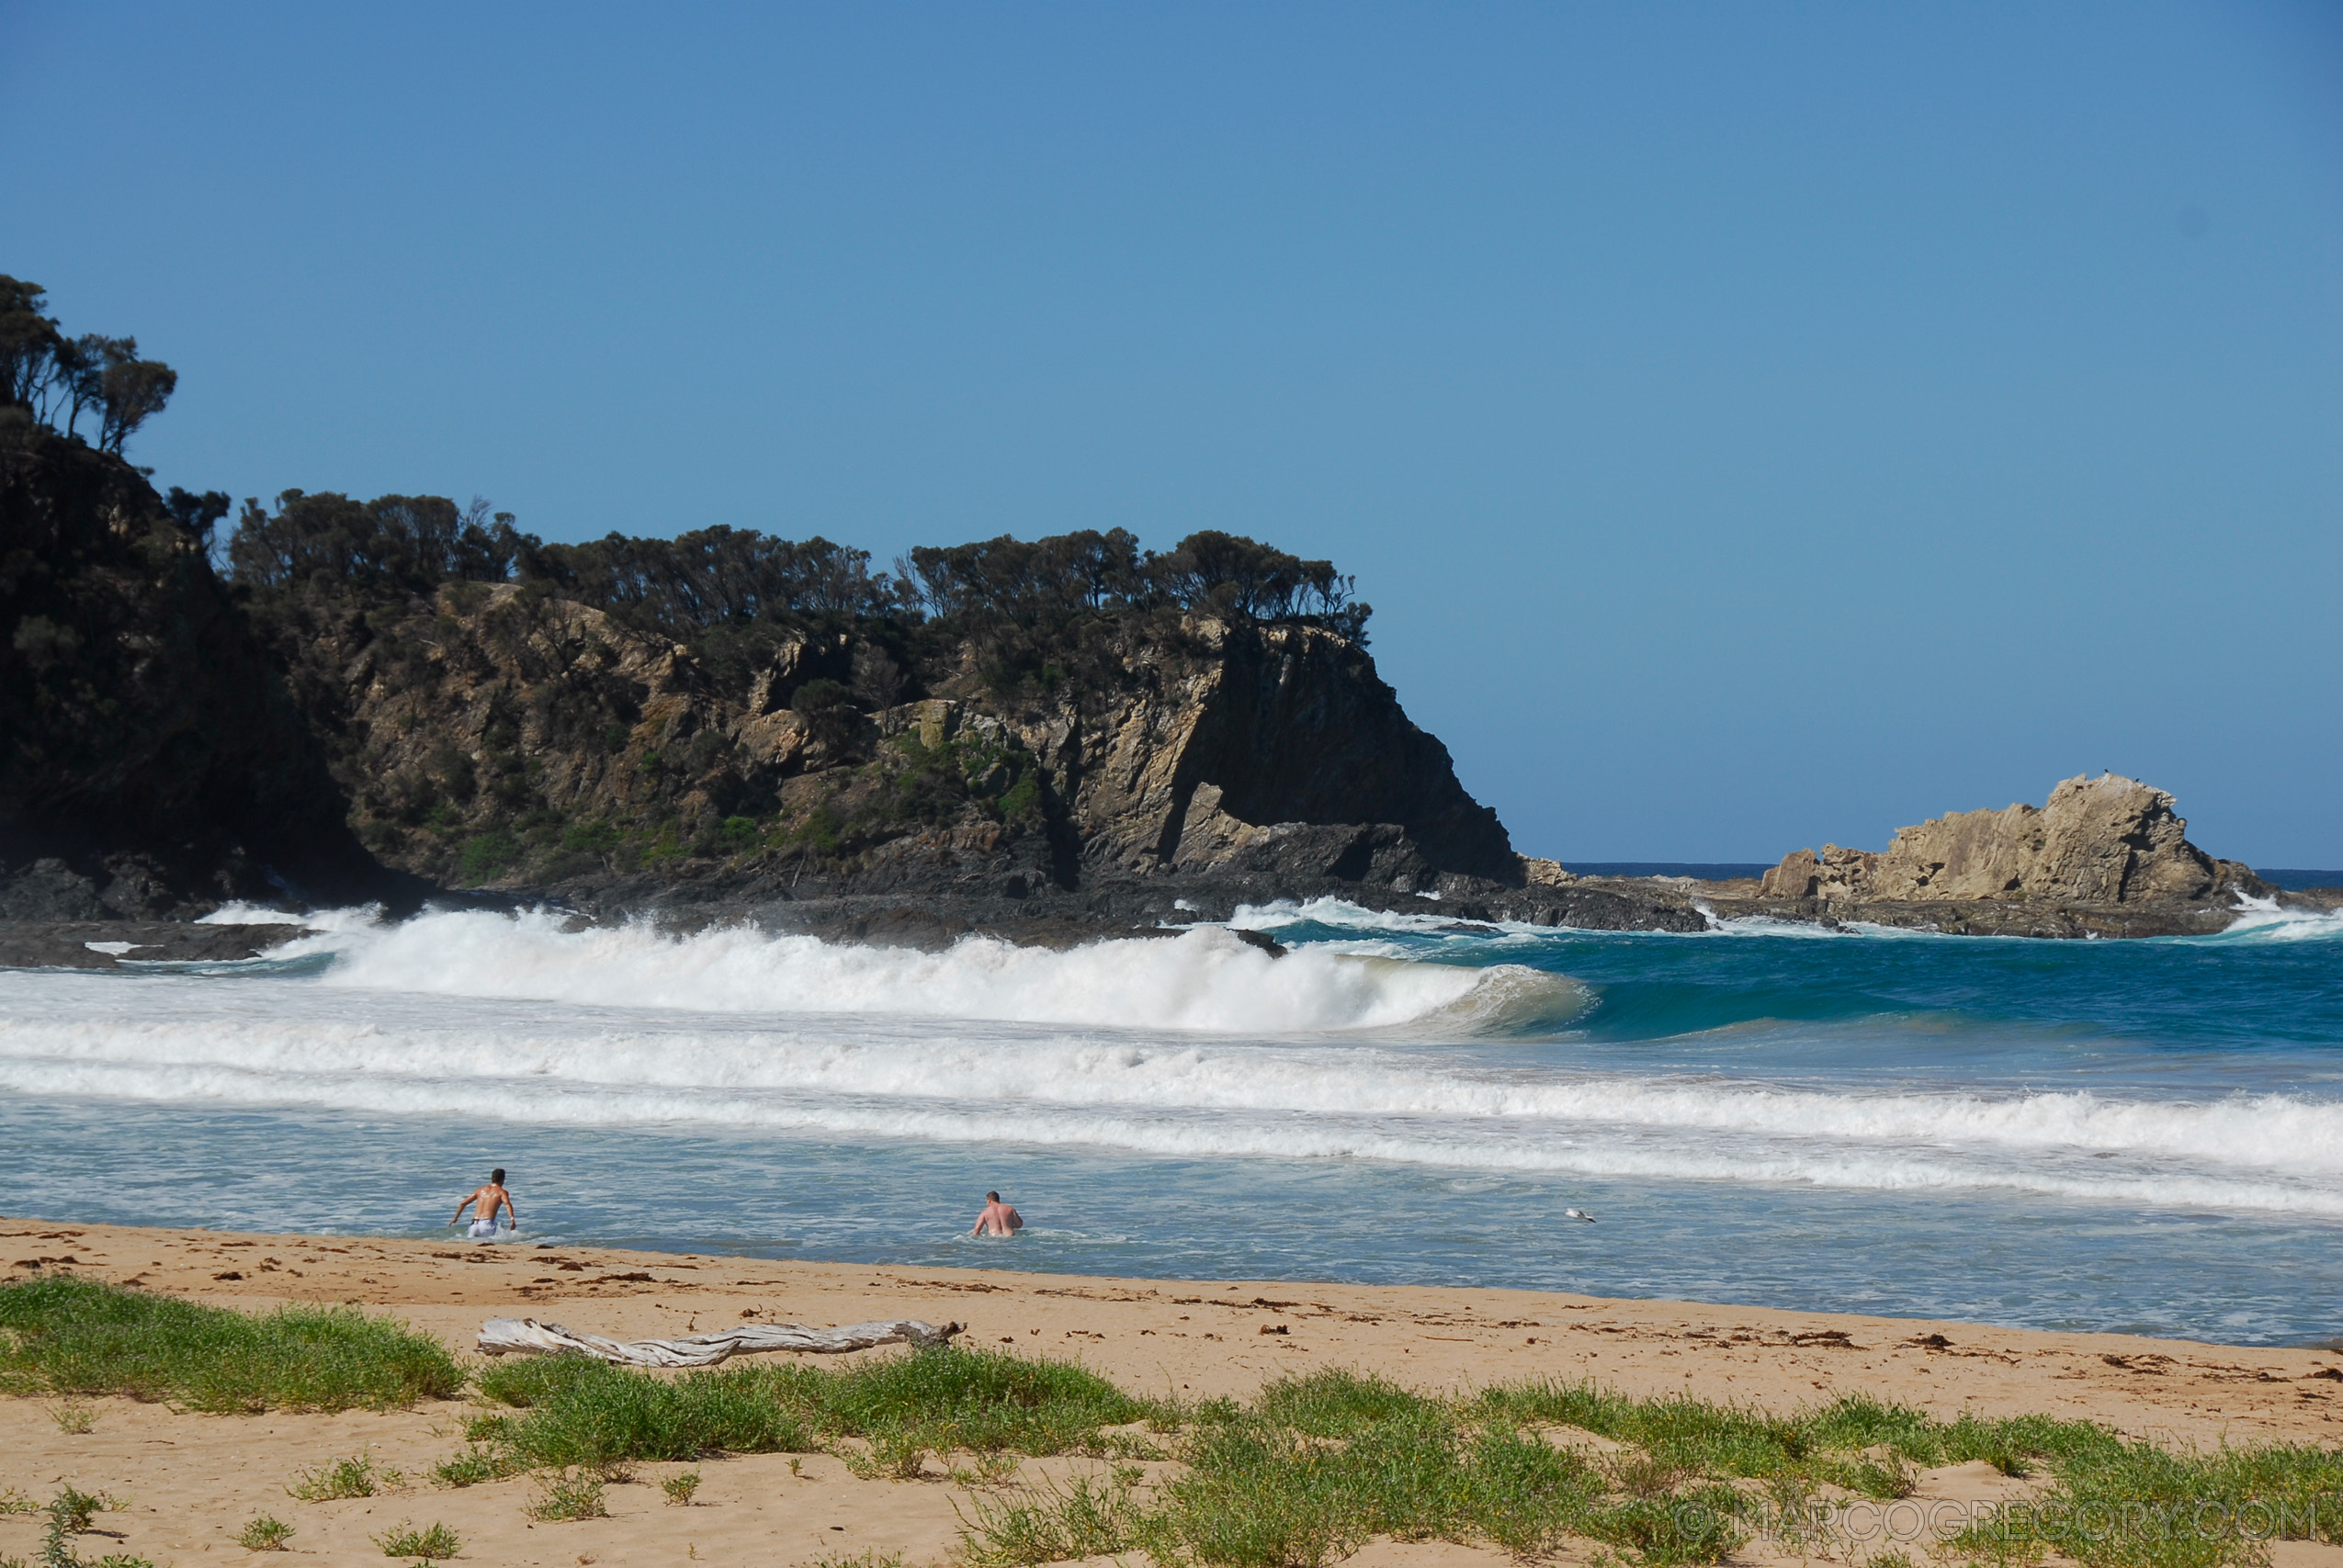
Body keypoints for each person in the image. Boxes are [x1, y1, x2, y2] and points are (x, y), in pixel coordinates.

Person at [451, 1168, 517, 1240]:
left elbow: (463, 1203)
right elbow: (507, 1205)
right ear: (503, 1179)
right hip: (486, 1225)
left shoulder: (480, 1190)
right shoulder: (501, 1192)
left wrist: (455, 1218)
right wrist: (512, 1220)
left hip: (474, 1225)